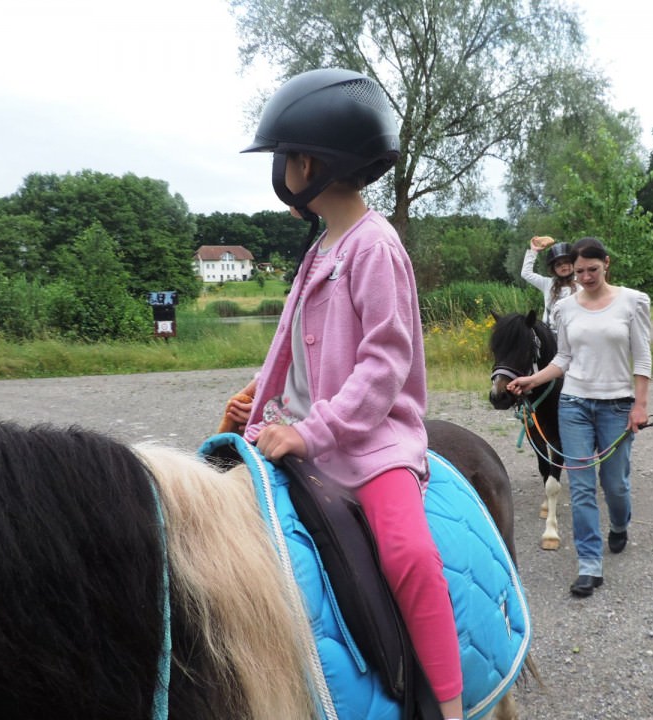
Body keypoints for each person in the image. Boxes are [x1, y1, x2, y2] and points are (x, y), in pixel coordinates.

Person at [223, 68, 463, 719]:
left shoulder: (375, 246)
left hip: (370, 440)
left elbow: (385, 363)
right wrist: (258, 396)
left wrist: (311, 431)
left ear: (309, 161)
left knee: (409, 554)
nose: (279, 170)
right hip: (309, 429)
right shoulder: (319, 247)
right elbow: (291, 342)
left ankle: (449, 702)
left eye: (282, 158)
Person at [506, 237, 651, 598]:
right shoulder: (565, 308)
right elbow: (563, 359)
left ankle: (619, 523)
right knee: (582, 487)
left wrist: (640, 405)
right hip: (575, 405)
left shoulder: (633, 301)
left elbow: (643, 357)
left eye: (592, 269)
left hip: (617, 405)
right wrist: (532, 379)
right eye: (580, 270)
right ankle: (589, 563)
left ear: (606, 264)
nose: (585, 276)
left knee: (614, 485)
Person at [520, 236, 579, 330]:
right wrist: (534, 251)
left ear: (574, 263)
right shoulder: (548, 283)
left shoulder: (581, 284)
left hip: (574, 333)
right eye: (558, 264)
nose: (563, 266)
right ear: (554, 269)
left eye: (567, 262)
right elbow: (526, 273)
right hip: (550, 334)